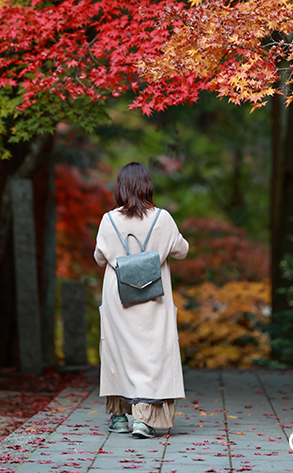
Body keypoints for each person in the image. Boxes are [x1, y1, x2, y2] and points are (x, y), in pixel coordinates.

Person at [94, 161, 189, 439]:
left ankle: (119, 416)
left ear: (120, 188)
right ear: (148, 185)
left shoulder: (108, 220)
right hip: (154, 297)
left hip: (118, 297)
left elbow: (100, 258)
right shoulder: (163, 218)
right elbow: (181, 251)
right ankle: (144, 420)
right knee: (151, 354)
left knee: (118, 352)